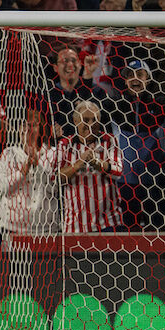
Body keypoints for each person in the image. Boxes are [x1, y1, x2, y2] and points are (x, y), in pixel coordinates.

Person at [55, 100, 125, 233]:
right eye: (85, 120)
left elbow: (118, 171)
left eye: (95, 119)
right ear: (75, 121)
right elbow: (56, 179)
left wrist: (96, 162)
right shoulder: (65, 144)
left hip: (108, 223)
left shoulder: (109, 140)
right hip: (75, 226)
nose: (91, 124)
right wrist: (79, 163)